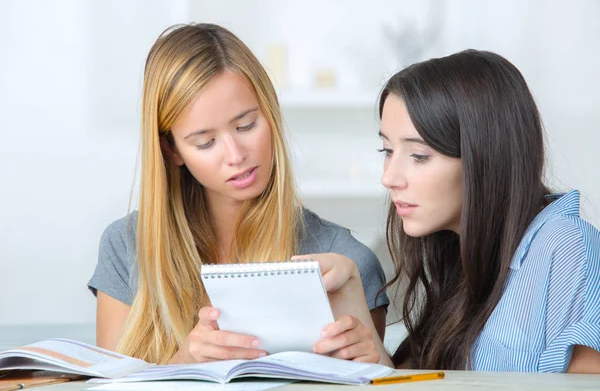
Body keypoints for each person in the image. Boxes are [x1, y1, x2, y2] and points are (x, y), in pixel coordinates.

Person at [87, 23, 389, 365]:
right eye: (205, 142)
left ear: (271, 113)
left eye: (246, 125)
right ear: (171, 151)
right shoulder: (125, 246)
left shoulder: (343, 262)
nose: (235, 155)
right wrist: (184, 362)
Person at [314, 49, 600, 373]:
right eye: (388, 151)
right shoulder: (457, 255)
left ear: (485, 157)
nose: (388, 178)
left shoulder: (566, 245)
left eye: (419, 155)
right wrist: (351, 292)